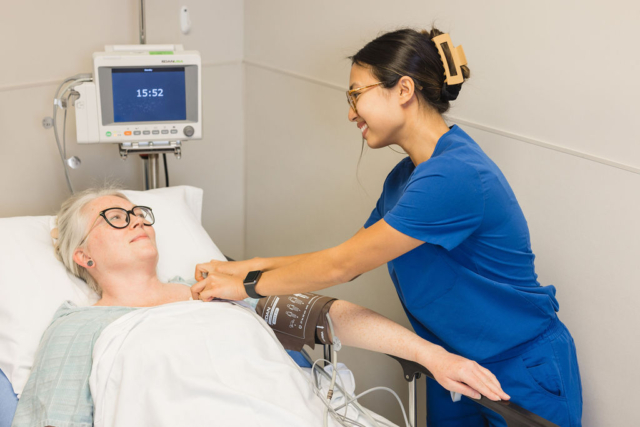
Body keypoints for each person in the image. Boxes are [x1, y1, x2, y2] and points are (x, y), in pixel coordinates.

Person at [192, 28, 582, 427]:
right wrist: (244, 266)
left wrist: (247, 286)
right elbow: (349, 254)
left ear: (404, 89)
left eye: (356, 94)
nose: (350, 113)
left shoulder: (454, 176)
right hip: (451, 363)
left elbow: (340, 267)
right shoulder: (406, 177)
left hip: (520, 366)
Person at [11, 188, 506, 427]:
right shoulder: (79, 329)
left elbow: (327, 315)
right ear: (84, 255)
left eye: (140, 213)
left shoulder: (215, 289)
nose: (138, 221)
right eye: (115, 217)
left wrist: (432, 356)